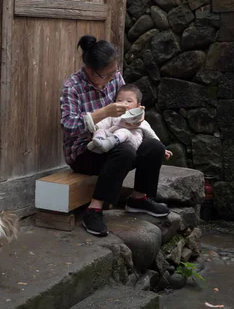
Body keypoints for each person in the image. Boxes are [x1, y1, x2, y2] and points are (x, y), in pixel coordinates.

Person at [60, 35, 170, 237]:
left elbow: (129, 104)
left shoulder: (115, 78)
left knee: (155, 147)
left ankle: (138, 199)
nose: (113, 78)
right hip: (84, 151)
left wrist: (137, 115)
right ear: (91, 71)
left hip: (118, 137)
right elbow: (68, 126)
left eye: (115, 72)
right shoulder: (73, 87)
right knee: (125, 150)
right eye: (107, 75)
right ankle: (94, 209)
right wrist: (103, 113)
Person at [85, 85, 173, 160]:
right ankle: (97, 144)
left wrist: (163, 149)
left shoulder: (140, 121)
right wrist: (96, 127)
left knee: (124, 132)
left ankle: (105, 145)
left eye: (129, 101)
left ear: (138, 106)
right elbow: (103, 123)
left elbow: (151, 134)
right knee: (100, 130)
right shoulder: (113, 115)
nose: (124, 103)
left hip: (131, 141)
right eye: (119, 100)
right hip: (111, 139)